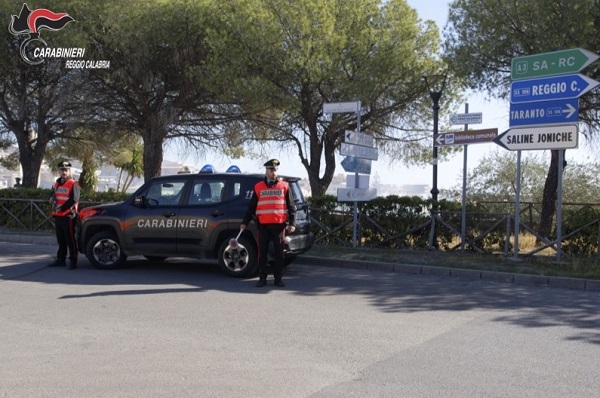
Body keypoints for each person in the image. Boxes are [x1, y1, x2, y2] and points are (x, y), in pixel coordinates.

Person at [241, 159, 296, 287]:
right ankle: (262, 279)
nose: (273, 172)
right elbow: (251, 207)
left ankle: (278, 279)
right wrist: (245, 222)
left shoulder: (284, 186)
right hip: (263, 226)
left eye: (275, 170)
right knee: (262, 254)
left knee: (279, 254)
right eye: (271, 170)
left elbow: (291, 206)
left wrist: (292, 223)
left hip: (278, 226)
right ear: (266, 171)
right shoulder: (258, 187)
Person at [48, 161, 80, 270]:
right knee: (60, 239)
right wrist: (51, 199)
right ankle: (60, 259)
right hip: (58, 215)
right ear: (59, 171)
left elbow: (74, 199)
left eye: (66, 170)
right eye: (62, 170)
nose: (64, 172)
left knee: (70, 239)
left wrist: (62, 208)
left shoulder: (73, 183)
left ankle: (73, 260)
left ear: (69, 171)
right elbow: (53, 195)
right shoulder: (57, 183)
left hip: (68, 215)